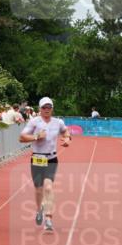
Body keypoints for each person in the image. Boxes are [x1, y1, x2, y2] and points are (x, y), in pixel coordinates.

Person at [19, 97, 71, 233]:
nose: (47, 110)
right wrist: (36, 137)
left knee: (48, 187)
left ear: (52, 108)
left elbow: (66, 131)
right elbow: (22, 137)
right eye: (44, 107)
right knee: (39, 190)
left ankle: (48, 219)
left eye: (49, 107)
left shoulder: (58, 122)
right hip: (37, 158)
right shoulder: (34, 122)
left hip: (52, 158)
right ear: (39, 109)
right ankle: (39, 210)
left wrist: (67, 138)